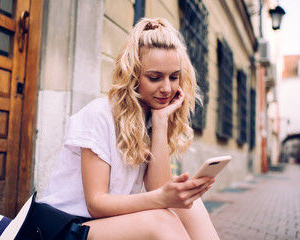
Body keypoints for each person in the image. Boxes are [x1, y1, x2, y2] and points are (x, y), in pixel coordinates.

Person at [39, 18, 219, 240]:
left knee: (191, 205)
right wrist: (163, 198)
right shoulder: (100, 115)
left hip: (105, 224)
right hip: (64, 227)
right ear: (133, 76)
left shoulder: (150, 118)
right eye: (154, 78)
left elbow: (156, 188)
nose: (166, 88)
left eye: (174, 77)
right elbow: (96, 204)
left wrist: (161, 121)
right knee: (161, 221)